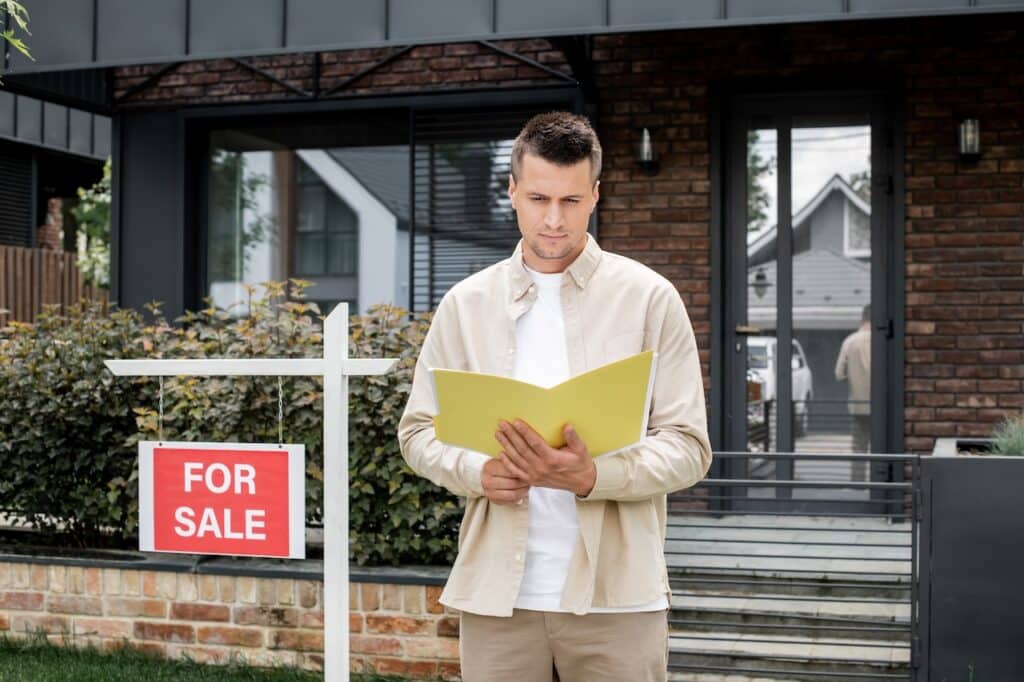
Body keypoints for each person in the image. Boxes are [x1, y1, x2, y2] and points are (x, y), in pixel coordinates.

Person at [397, 111, 713, 682]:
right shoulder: (465, 305)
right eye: (538, 197)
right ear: (512, 189)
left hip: (619, 598)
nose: (551, 220)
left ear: (595, 195)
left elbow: (689, 446)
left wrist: (594, 478)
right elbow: (418, 432)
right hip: (499, 597)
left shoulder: (650, 299)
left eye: (570, 201)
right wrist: (477, 470)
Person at [835, 304, 872, 454]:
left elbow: (839, 374)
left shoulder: (850, 341)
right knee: (883, 453)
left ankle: (858, 478)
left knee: (859, 451)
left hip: (859, 407)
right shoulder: (885, 340)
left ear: (862, 317)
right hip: (883, 408)